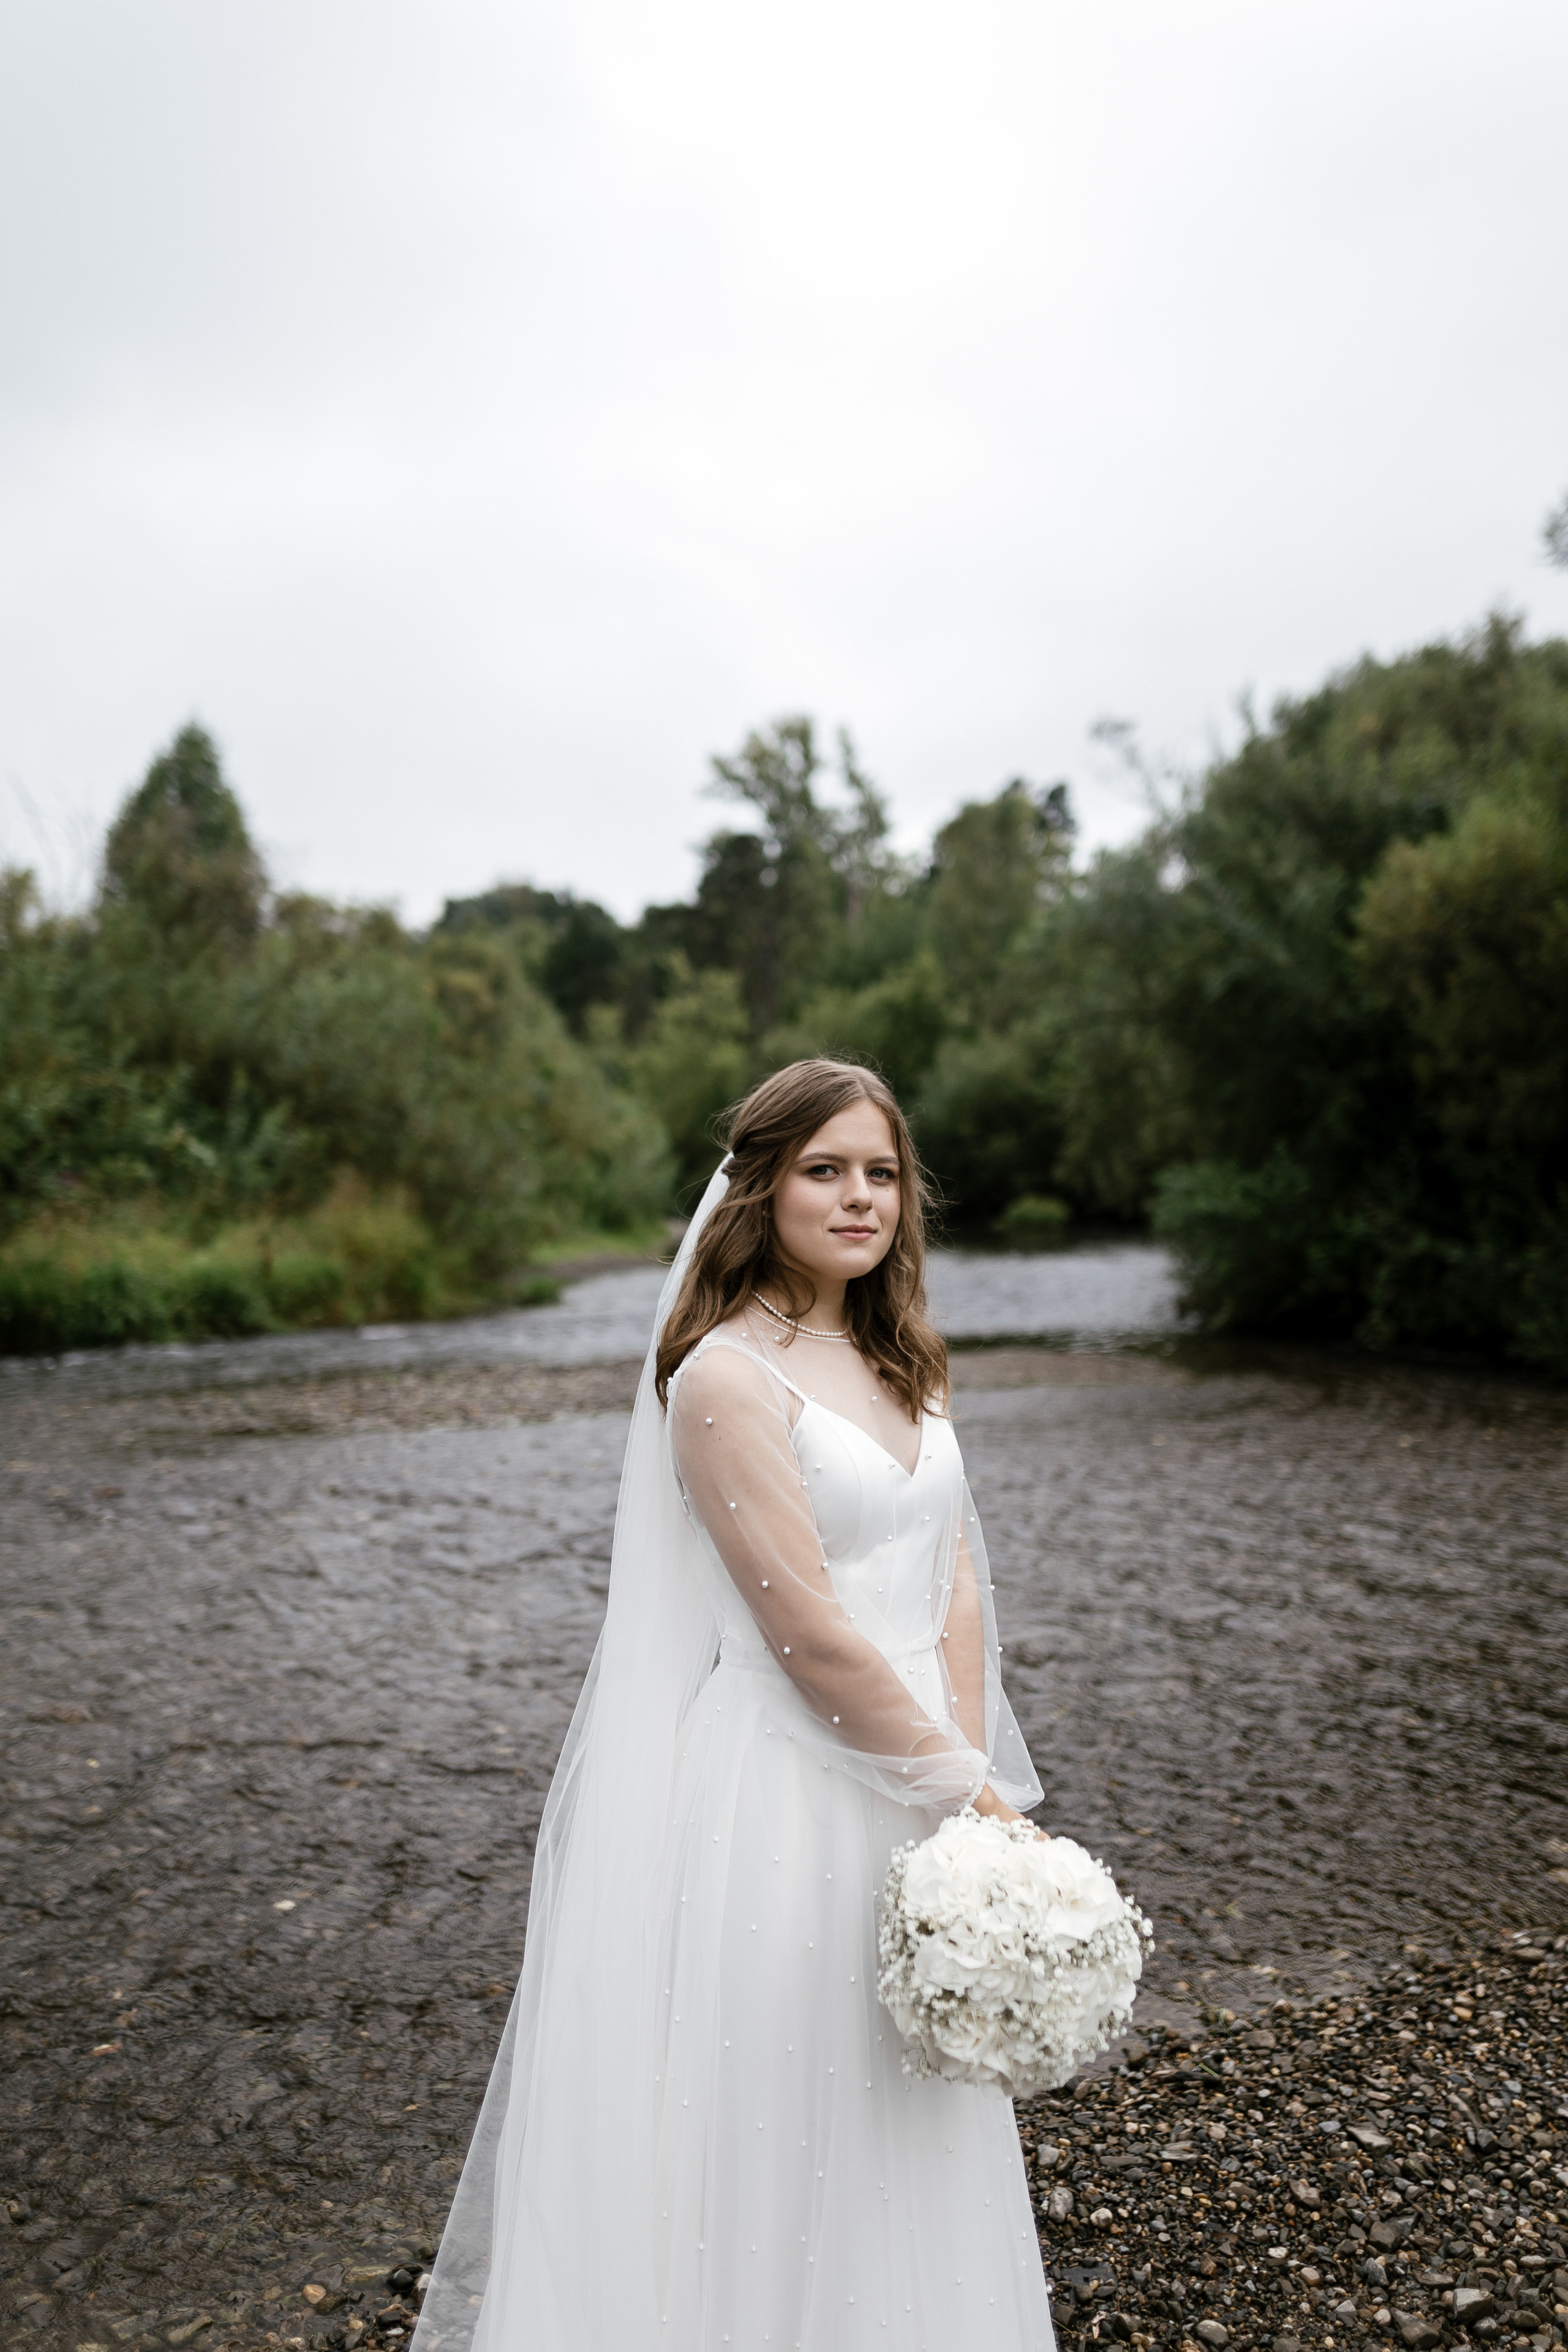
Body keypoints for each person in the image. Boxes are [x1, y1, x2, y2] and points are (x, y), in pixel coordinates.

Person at [412, 1059, 1054, 2352]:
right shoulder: (724, 1378)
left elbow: (954, 1575)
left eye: (880, 1173)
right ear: (760, 1188)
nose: (860, 1197)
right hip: (790, 1797)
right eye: (825, 1170)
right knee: (800, 2120)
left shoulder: (904, 1356)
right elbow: (807, 1636)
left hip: (926, 1777)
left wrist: (968, 1779)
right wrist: (960, 1787)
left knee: (915, 2110)